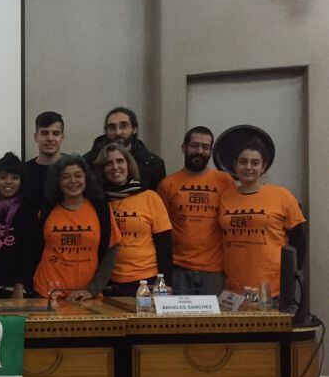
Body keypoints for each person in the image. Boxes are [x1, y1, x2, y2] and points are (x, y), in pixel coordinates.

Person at [218, 138, 306, 299]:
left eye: (255, 163)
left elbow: (299, 240)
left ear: (263, 167)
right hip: (233, 288)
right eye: (243, 162)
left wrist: (293, 275)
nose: (248, 167)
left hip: (273, 288)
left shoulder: (282, 196)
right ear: (235, 165)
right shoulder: (225, 197)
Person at [157, 126, 235, 295]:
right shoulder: (167, 184)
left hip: (214, 271)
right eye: (194, 146)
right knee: (178, 321)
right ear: (184, 148)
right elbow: (161, 231)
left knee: (210, 322)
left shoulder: (225, 181)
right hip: (178, 270)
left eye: (205, 147)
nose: (199, 151)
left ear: (211, 151)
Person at [32, 154, 121, 301]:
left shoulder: (101, 210)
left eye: (78, 175)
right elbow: (33, 249)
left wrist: (92, 289)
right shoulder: (46, 210)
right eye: (66, 177)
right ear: (58, 182)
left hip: (86, 297)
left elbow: (110, 254)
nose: (73, 181)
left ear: (86, 179)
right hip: (47, 294)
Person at [93, 143, 172, 296]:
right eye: (108, 163)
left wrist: (166, 284)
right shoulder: (98, 202)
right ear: (102, 169)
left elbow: (165, 244)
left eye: (120, 161)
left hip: (146, 282)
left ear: (129, 164)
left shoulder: (150, 197)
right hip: (109, 283)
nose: (115, 167)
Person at [0, 152, 36, 299]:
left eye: (15, 178)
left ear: (22, 181)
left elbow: (29, 251)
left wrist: (20, 284)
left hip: (14, 288)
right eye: (3, 177)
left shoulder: (28, 210)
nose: (8, 182)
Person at [83, 107, 166, 190]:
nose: (118, 132)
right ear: (105, 131)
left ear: (134, 129)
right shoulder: (88, 162)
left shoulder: (154, 164)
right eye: (112, 127)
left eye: (123, 126)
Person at [24, 111, 66, 209]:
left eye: (55, 133)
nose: (50, 138)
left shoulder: (73, 169)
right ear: (35, 137)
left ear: (62, 138)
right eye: (44, 133)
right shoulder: (25, 171)